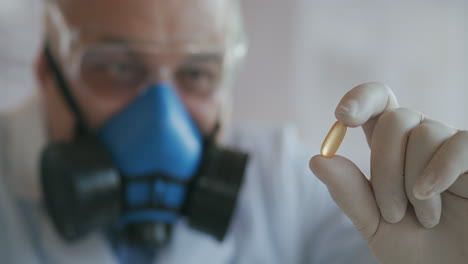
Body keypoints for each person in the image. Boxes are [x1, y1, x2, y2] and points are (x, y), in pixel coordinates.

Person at [0, 0, 467, 263]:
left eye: (198, 74)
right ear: (47, 70)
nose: (162, 118)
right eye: (117, 67)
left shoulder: (283, 184)